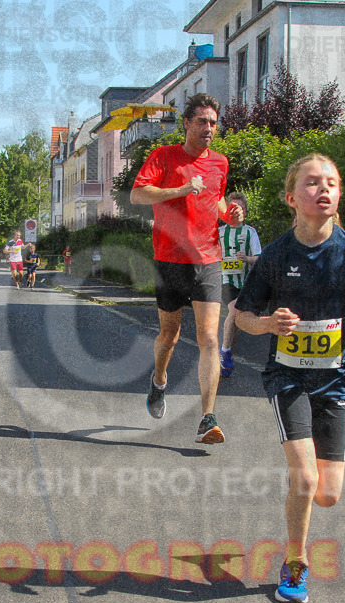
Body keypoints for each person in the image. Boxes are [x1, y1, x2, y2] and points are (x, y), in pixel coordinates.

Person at [234, 154, 345, 603]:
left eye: (332, 183)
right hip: (288, 377)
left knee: (329, 496)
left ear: (338, 196)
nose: (324, 190)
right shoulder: (276, 256)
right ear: (291, 198)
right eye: (312, 183)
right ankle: (295, 564)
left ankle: (299, 540)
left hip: (334, 378)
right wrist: (267, 325)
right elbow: (241, 315)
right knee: (303, 478)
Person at [130, 93, 243, 444]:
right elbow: (137, 194)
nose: (209, 128)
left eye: (213, 122)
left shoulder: (220, 163)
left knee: (209, 338)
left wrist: (230, 214)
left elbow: (217, 199)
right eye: (202, 121)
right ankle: (159, 381)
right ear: (187, 124)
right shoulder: (164, 157)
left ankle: (207, 418)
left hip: (208, 259)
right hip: (169, 260)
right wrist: (178, 189)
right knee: (170, 336)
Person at [218, 191, 262, 377]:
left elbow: (259, 259)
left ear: (245, 211)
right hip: (224, 280)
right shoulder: (219, 232)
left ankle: (225, 355)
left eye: (241, 208)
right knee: (235, 311)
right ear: (226, 210)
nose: (237, 211)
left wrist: (247, 259)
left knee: (237, 319)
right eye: (233, 207)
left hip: (244, 281)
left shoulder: (250, 232)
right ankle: (225, 352)